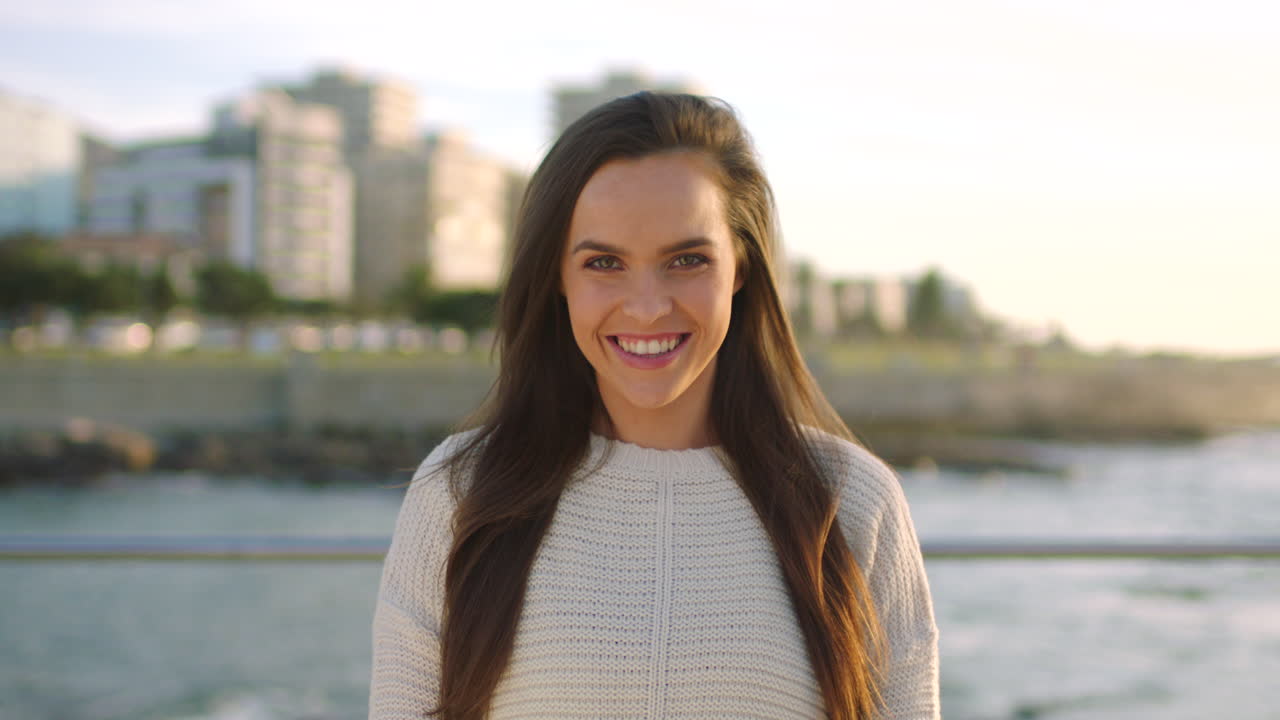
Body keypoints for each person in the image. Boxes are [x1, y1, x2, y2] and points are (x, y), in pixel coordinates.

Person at [369, 92, 939, 720]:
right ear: (557, 275)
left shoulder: (854, 502)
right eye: (604, 263)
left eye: (687, 260)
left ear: (742, 266)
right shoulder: (459, 493)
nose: (646, 306)